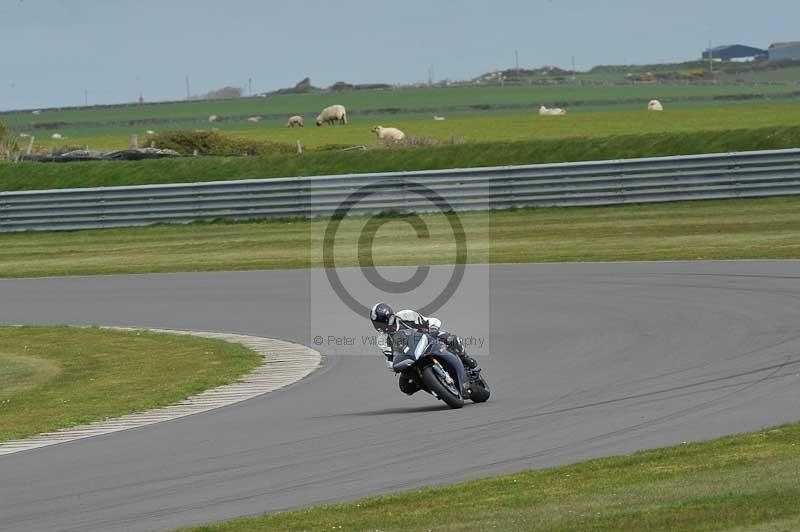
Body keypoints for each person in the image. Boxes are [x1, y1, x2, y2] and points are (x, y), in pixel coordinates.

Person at [369, 302, 478, 395]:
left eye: (382, 322)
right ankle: (432, 384)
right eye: (377, 323)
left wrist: (433, 329)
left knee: (451, 339)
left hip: (428, 340)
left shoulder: (406, 315)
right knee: (405, 387)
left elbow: (430, 321)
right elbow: (390, 358)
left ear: (390, 317)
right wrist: (394, 366)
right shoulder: (382, 340)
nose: (380, 326)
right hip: (410, 358)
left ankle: (466, 359)